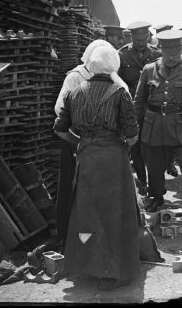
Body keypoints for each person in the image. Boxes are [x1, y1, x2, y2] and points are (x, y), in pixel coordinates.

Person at [53, 45, 141, 291]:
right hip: (114, 160)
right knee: (114, 214)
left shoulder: (74, 92)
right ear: (113, 66)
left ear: (90, 65)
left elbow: (59, 129)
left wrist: (80, 141)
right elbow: (132, 134)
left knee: (88, 213)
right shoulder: (120, 93)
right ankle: (112, 272)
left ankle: (87, 268)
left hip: (87, 159)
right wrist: (122, 143)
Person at [134, 29, 182, 234]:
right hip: (154, 129)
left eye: (175, 53)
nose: (170, 58)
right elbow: (138, 102)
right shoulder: (149, 70)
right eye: (167, 53)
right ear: (161, 50)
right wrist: (132, 130)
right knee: (155, 172)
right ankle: (157, 199)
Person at [54, 39, 128, 248]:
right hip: (76, 141)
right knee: (75, 191)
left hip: (104, 146)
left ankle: (101, 239)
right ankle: (71, 238)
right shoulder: (75, 77)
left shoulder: (111, 76)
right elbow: (60, 110)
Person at [118, 21, 163, 191]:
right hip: (131, 109)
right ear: (132, 37)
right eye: (138, 40)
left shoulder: (157, 54)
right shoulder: (121, 55)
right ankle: (143, 183)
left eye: (144, 40)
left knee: (153, 149)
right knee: (136, 148)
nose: (141, 43)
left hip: (153, 109)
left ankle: (155, 185)